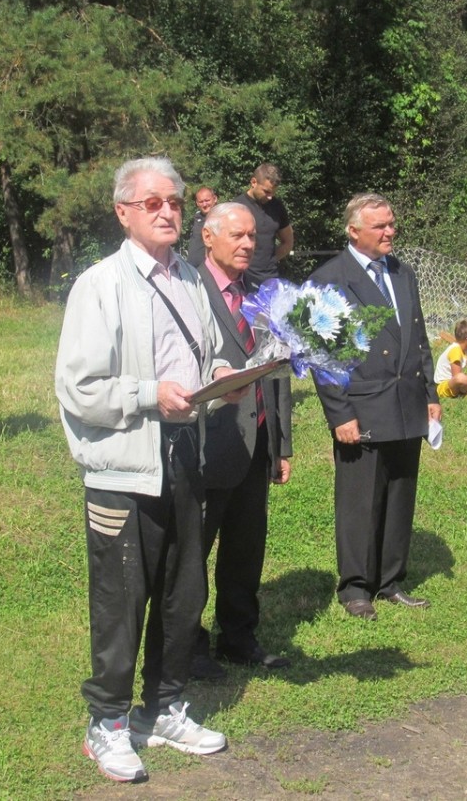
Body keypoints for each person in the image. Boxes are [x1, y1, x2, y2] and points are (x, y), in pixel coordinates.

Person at [54, 157, 245, 784]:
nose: (168, 212)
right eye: (154, 202)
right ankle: (106, 724)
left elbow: (209, 352)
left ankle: (163, 708)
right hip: (123, 467)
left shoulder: (190, 277)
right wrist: (146, 395)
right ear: (123, 212)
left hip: (185, 453)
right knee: (121, 599)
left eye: (176, 202)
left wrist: (221, 376)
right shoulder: (100, 285)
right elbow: (79, 388)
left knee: (183, 592)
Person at [308, 192, 441, 621]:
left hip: (406, 403)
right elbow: (321, 355)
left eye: (391, 223)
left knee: (400, 493)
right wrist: (340, 413)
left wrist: (431, 394)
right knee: (360, 501)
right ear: (353, 230)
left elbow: (419, 337)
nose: (390, 232)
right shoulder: (330, 279)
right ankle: (355, 588)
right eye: (379, 226)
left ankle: (390, 580)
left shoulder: (404, 274)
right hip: (361, 408)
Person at [191, 202, 294, 679]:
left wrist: (282, 445)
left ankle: (238, 638)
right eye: (238, 236)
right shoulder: (187, 290)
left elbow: (279, 372)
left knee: (246, 547)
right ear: (209, 238)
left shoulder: (262, 295)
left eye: (253, 237)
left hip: (257, 442)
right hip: (206, 442)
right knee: (194, 550)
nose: (249, 245)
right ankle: (189, 647)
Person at [231, 163, 293, 285]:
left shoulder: (277, 206)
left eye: (273, 193)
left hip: (271, 278)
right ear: (253, 182)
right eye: (266, 191)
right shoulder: (237, 207)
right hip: (243, 278)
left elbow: (288, 241)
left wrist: (271, 260)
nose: (270, 197)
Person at [185, 185, 217, 267]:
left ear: (215, 199)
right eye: (201, 202)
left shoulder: (221, 217)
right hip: (191, 269)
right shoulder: (196, 217)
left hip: (208, 270)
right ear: (197, 203)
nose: (204, 204)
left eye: (207, 200)